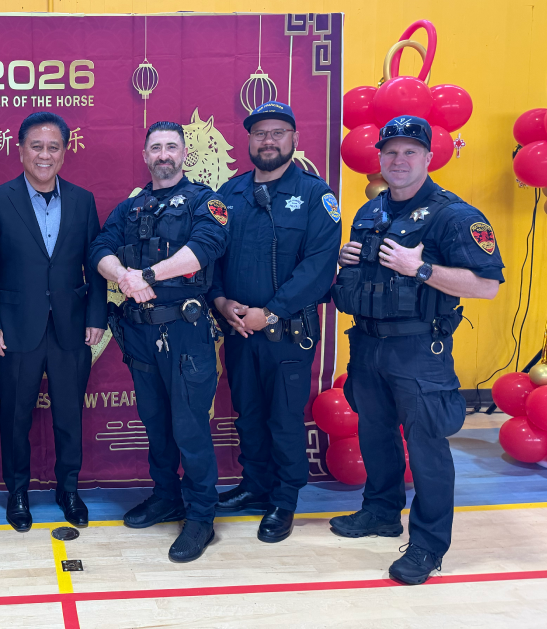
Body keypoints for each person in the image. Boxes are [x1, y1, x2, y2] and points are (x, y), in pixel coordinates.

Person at [329, 115, 503, 585]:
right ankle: (381, 512)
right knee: (375, 434)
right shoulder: (371, 211)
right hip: (368, 343)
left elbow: (486, 286)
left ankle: (428, 546)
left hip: (419, 349)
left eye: (410, 151)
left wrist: (421, 268)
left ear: (428, 157)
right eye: (391, 152)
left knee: (427, 447)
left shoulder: (455, 216)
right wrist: (350, 260)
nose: (399, 160)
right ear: (380, 158)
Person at [89, 120, 229, 563]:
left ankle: (201, 515)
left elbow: (205, 247)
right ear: (146, 155)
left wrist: (147, 275)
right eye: (156, 147)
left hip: (185, 332)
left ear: (184, 154)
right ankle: (167, 496)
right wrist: (123, 276)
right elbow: (99, 249)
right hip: (141, 333)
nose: (164, 154)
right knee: (155, 422)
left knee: (190, 425)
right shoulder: (131, 208)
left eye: (171, 147)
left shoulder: (205, 201)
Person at [209, 101, 341, 543]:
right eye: (260, 133)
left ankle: (284, 499)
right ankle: (255, 486)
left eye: (277, 132)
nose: (268, 141)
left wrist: (270, 312)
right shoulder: (230, 193)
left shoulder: (315, 195)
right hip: (239, 329)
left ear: (294, 139)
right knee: (248, 414)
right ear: (249, 140)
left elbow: (318, 267)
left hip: (287, 332)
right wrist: (221, 301)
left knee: (283, 419)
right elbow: (211, 254)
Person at [0, 111, 107, 532]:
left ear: (64, 152)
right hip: (16, 326)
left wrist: (97, 315)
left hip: (72, 326)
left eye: (53, 147)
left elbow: (96, 262)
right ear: (20, 150)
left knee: (69, 415)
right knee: (15, 416)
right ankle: (17, 492)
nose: (44, 155)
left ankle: (68, 490)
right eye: (36, 146)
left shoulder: (83, 200)